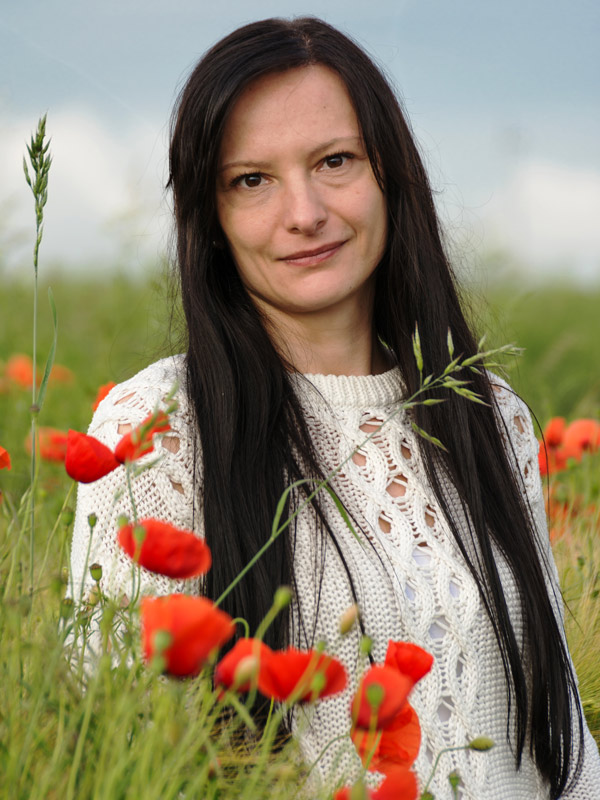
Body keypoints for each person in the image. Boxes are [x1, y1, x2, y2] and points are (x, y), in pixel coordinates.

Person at [69, 17, 600, 799]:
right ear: (211, 220)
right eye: (252, 180)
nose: (305, 211)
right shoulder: (158, 431)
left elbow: (563, 743)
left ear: (391, 175)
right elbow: (120, 749)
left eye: (334, 161)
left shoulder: (490, 415)